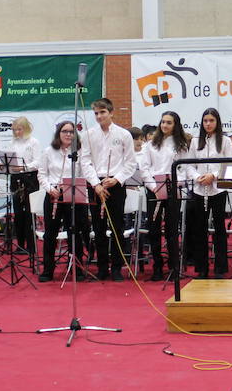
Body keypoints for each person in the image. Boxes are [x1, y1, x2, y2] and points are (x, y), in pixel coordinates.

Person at [35, 120, 95, 282]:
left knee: (75, 232)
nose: (68, 134)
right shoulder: (48, 151)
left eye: (71, 131)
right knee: (50, 233)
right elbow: (42, 174)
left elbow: (86, 172)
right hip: (54, 194)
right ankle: (48, 270)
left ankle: (77, 267)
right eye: (65, 131)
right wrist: (50, 189)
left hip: (74, 194)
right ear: (58, 134)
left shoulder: (81, 151)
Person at [84, 97, 137, 281]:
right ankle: (101, 268)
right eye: (96, 113)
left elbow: (130, 163)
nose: (99, 116)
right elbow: (85, 161)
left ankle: (116, 268)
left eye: (102, 112)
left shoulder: (123, 134)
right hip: (95, 185)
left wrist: (116, 179)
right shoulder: (89, 135)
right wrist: (96, 184)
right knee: (98, 228)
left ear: (111, 112)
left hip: (115, 184)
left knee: (117, 228)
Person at [139, 110, 192, 280]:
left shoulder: (181, 145)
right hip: (154, 189)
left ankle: (174, 267)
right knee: (154, 230)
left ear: (175, 125)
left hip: (173, 188)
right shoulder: (150, 144)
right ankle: (157, 267)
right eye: (163, 122)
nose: (164, 125)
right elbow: (144, 168)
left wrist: (179, 181)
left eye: (169, 122)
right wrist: (153, 186)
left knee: (171, 230)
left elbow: (184, 168)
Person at [187, 108, 232, 277]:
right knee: (200, 230)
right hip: (199, 190)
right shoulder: (195, 141)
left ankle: (220, 268)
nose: (208, 124)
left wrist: (213, 176)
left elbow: (229, 164)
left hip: (218, 189)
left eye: (211, 120)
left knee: (220, 229)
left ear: (217, 122)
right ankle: (202, 268)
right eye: (205, 121)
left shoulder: (225, 141)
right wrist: (198, 177)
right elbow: (189, 165)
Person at [8, 116, 40, 257]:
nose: (17, 132)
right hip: (16, 179)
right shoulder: (12, 143)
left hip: (29, 179)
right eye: (15, 130)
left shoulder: (34, 142)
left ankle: (31, 246)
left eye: (19, 129)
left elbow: (38, 162)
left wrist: (23, 167)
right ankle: (20, 245)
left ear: (25, 129)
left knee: (29, 214)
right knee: (18, 214)